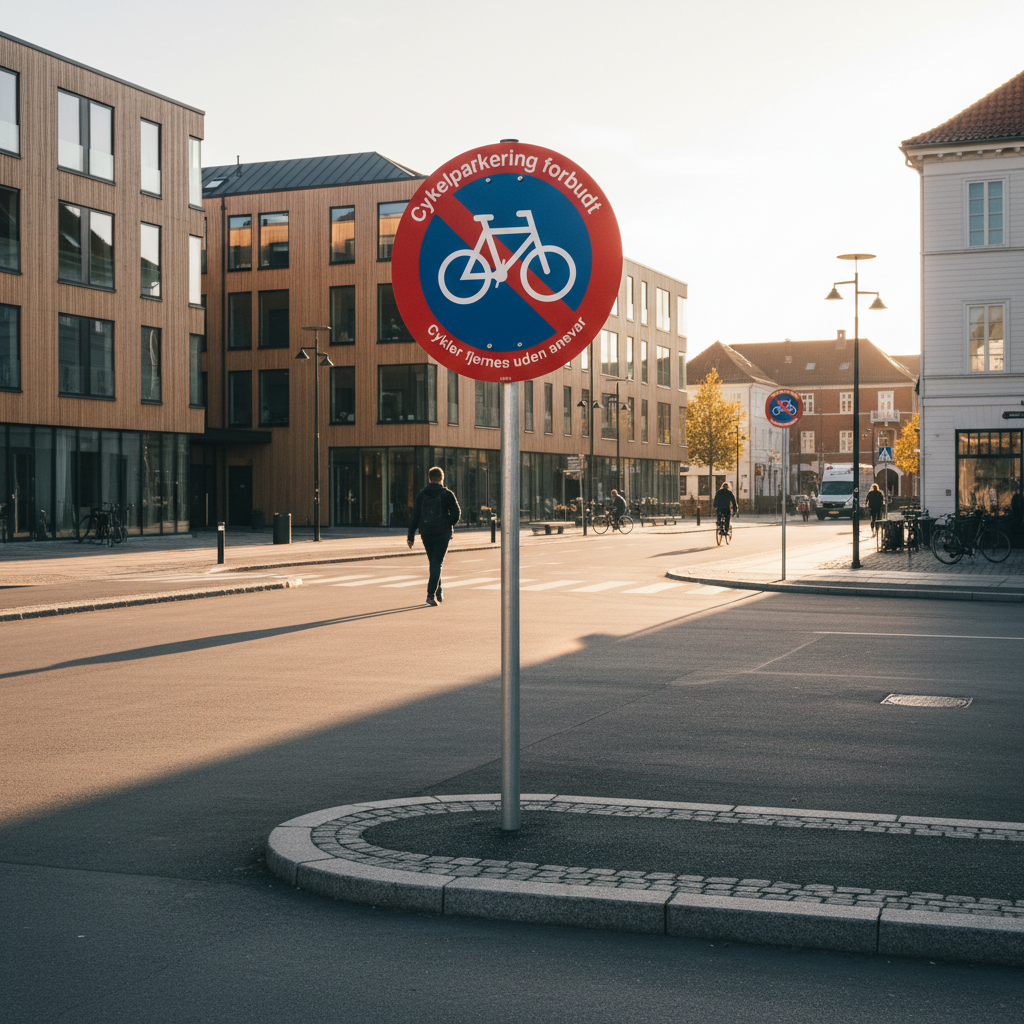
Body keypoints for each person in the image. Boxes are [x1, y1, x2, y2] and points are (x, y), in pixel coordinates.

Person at [407, 467, 461, 606]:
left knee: (434, 563)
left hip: (426, 533)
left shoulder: (422, 494)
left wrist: (411, 535)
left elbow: (415, 515)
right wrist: (448, 523)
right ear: (441, 478)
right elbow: (456, 513)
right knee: (437, 563)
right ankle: (430, 595)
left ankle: (438, 590)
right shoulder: (447, 494)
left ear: (429, 478)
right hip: (442, 534)